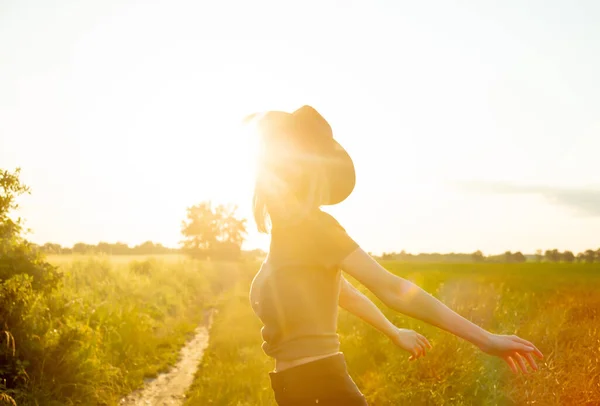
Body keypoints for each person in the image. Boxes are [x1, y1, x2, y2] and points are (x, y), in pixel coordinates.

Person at [246, 106, 543, 406]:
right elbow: (345, 294)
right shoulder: (286, 241)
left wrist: (486, 339)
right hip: (290, 390)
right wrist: (393, 331)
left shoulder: (315, 229)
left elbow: (392, 288)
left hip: (322, 388)